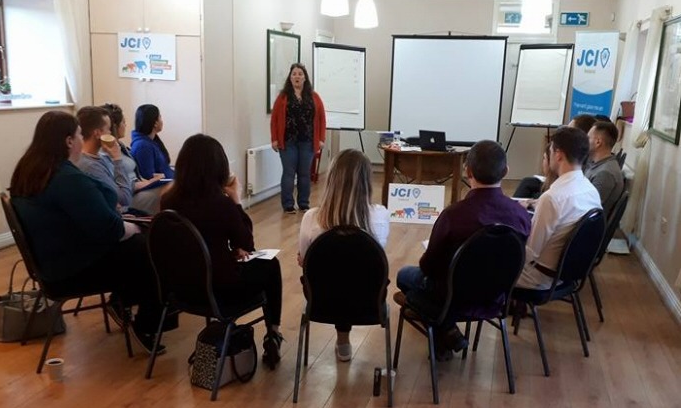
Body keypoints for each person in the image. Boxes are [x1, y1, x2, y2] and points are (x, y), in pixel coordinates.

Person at [9, 111, 165, 354]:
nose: (82, 139)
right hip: (70, 269)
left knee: (140, 242)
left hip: (50, 262)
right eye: (79, 134)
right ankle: (147, 324)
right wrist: (133, 226)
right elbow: (110, 229)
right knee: (149, 247)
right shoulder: (66, 178)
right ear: (69, 141)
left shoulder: (29, 170)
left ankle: (124, 303)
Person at [395, 140, 531, 360]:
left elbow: (428, 267)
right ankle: (446, 329)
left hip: (452, 295)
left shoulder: (453, 215)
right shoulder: (521, 215)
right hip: (496, 295)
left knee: (404, 276)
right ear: (506, 171)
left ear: (468, 172)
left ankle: (445, 327)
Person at [160, 134, 285, 370]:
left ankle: (273, 334)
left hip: (179, 290)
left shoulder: (168, 202)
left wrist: (224, 252)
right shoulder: (221, 204)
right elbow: (247, 243)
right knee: (270, 264)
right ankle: (274, 333)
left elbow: (195, 242)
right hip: (218, 293)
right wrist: (236, 200)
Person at [298, 149, 390, 362]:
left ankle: (342, 339)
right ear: (367, 182)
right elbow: (375, 259)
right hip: (368, 302)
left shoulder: (311, 218)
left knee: (337, 275)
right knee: (352, 274)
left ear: (331, 180)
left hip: (321, 302)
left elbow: (304, 260)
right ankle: (343, 340)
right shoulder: (381, 216)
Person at [516, 126, 602, 290]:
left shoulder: (552, 198)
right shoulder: (591, 191)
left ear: (558, 154)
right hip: (568, 274)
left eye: (550, 151)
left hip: (539, 278)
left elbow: (531, 252)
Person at [270, 63, 326, 214]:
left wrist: (321, 139)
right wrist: (274, 139)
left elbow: (321, 118)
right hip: (288, 141)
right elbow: (274, 119)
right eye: (294, 74)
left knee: (304, 173)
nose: (297, 77)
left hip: (308, 141)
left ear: (305, 78)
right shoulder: (283, 97)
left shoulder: (314, 97)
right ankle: (288, 204)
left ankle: (303, 204)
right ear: (290, 77)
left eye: (300, 74)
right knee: (289, 172)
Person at [513, 113, 597, 199]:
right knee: (527, 182)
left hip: (564, 191)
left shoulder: (579, 158)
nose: (565, 133)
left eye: (570, 130)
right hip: (563, 188)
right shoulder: (592, 190)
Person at [103, 103, 167, 214]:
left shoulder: (121, 147)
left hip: (139, 189)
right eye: (123, 122)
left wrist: (152, 181)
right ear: (115, 126)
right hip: (130, 197)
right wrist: (151, 182)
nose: (126, 124)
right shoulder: (107, 153)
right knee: (170, 190)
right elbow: (123, 185)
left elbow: (137, 176)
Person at [76, 106, 133, 210]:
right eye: (108, 129)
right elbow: (124, 199)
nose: (111, 133)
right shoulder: (90, 166)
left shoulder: (103, 157)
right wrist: (117, 159)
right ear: (97, 133)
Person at [586, 120, 625, 217]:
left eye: (588, 138)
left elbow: (587, 209)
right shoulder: (598, 165)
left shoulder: (605, 173)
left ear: (598, 142)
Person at [131, 104, 175, 181]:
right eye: (160, 117)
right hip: (164, 186)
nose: (162, 121)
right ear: (155, 123)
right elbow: (149, 177)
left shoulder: (151, 142)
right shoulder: (143, 146)